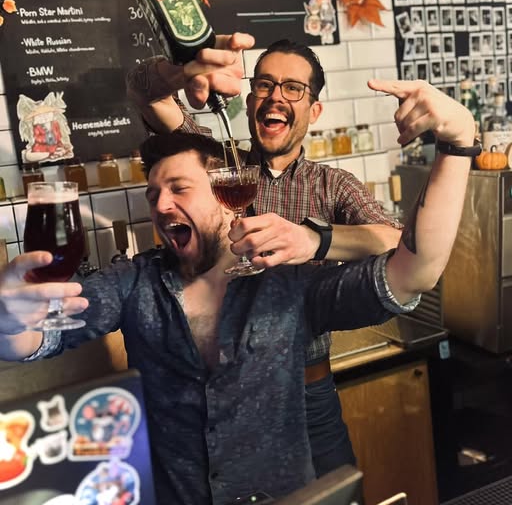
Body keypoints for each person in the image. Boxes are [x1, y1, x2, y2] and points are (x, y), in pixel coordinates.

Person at [0, 80, 477, 504]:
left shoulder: (287, 283)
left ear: (226, 197)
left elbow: (414, 272)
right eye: (153, 195)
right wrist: (8, 321)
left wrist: (456, 146)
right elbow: (34, 338)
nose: (161, 205)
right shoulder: (134, 282)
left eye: (179, 189)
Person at [126, 37, 402, 475]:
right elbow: (146, 93)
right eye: (265, 84)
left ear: (314, 110)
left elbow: (394, 241)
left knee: (335, 494)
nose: (276, 97)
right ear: (251, 98)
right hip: (223, 392)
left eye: (293, 88)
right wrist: (180, 72)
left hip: (308, 392)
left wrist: (314, 239)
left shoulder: (332, 185)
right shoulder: (216, 162)